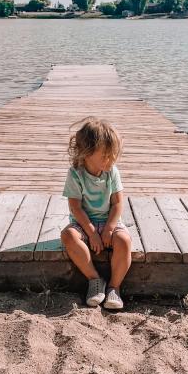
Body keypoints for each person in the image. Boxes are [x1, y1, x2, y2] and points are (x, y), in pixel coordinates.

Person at [60, 118, 132, 310]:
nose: (112, 160)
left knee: (124, 241)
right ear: (87, 153)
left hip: (109, 220)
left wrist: (109, 228)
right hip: (84, 222)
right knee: (68, 236)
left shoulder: (112, 172)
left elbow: (117, 203)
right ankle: (95, 279)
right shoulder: (75, 174)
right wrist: (91, 233)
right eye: (106, 156)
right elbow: (76, 207)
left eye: (113, 155)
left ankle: (114, 287)